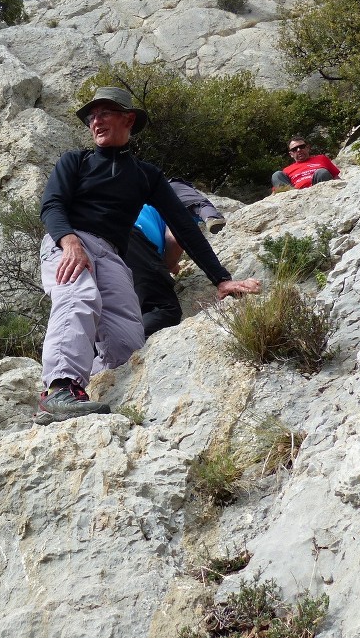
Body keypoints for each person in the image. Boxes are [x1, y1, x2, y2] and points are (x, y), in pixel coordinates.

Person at [36, 86, 259, 422]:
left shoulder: (146, 175)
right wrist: (68, 241)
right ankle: (60, 388)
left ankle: (89, 396)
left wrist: (222, 280)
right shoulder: (75, 161)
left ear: (128, 119)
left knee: (128, 337)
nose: (96, 121)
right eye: (91, 116)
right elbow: (51, 204)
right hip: (70, 241)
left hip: (113, 255)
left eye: (104, 113)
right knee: (78, 297)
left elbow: (183, 227)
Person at [126, 204, 260, 337]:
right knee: (162, 309)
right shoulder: (170, 203)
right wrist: (222, 280)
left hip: (112, 242)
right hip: (130, 238)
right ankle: (131, 353)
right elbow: (175, 238)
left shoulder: (143, 203)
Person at [271, 136, 341, 191]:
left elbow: (335, 177)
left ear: (307, 148)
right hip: (296, 194)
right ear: (291, 154)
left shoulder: (321, 158)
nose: (299, 150)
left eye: (301, 147)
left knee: (321, 172)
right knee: (276, 175)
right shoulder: (286, 170)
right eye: (294, 149)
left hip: (319, 189)